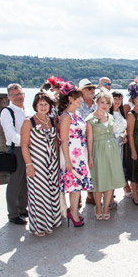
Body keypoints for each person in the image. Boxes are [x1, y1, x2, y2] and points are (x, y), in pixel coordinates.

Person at [20, 91, 62, 236]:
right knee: (38, 193)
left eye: (46, 104)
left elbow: (56, 140)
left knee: (52, 191)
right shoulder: (28, 122)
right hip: (37, 162)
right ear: (35, 106)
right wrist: (29, 165)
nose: (43, 107)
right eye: (41, 104)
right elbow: (24, 145)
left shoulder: (52, 120)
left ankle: (52, 221)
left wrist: (57, 160)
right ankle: (39, 226)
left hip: (52, 161)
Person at [86, 90, 126, 220]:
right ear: (97, 102)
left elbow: (115, 132)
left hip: (112, 149)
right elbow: (90, 139)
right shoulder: (90, 119)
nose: (105, 105)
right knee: (99, 179)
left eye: (107, 103)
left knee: (110, 179)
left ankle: (106, 207)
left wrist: (123, 135)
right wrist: (90, 156)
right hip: (97, 150)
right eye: (102, 102)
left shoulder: (111, 117)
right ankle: (98, 206)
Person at [58, 81, 93, 227]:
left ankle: (73, 211)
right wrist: (67, 160)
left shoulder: (77, 114)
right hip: (71, 154)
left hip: (80, 154)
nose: (80, 99)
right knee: (73, 185)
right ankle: (72, 213)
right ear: (69, 99)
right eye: (77, 97)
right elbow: (64, 140)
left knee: (77, 185)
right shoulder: (66, 116)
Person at [0, 83, 33, 226]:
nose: (18, 97)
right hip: (17, 150)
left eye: (19, 94)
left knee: (26, 181)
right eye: (14, 95)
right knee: (15, 182)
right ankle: (13, 213)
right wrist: (25, 142)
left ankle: (22, 208)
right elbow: (10, 133)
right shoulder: (7, 111)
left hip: (30, 148)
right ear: (9, 97)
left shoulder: (28, 110)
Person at [78, 78, 97, 205]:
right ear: (82, 91)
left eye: (93, 88)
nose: (92, 90)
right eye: (89, 88)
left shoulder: (97, 105)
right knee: (81, 168)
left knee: (92, 167)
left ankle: (91, 195)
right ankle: (78, 197)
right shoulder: (77, 105)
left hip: (95, 140)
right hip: (80, 141)